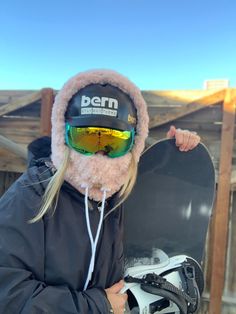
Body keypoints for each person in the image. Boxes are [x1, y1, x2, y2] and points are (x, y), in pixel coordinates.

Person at [0, 69, 200, 314]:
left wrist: (174, 154)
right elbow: (7, 294)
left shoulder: (116, 197)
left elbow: (159, 211)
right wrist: (96, 306)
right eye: (87, 139)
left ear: (132, 145)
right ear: (64, 138)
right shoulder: (31, 194)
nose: (98, 156)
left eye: (113, 142)